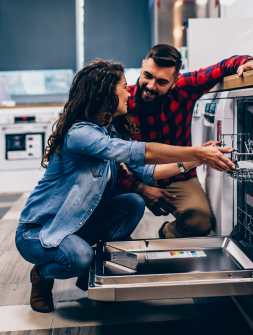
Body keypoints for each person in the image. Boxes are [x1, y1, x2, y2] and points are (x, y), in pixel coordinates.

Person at [15, 59, 236, 313]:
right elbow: (140, 152)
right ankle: (43, 274)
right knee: (78, 257)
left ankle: (93, 267)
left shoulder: (110, 132)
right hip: (40, 231)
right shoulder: (80, 134)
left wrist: (196, 159)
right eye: (123, 86)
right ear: (107, 94)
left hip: (77, 223)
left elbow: (147, 171)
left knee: (132, 203)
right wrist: (196, 150)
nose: (129, 91)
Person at [115, 44, 253, 238]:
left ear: (174, 81)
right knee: (109, 207)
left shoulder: (184, 88)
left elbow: (220, 67)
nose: (151, 86)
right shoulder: (121, 102)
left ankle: (166, 232)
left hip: (177, 172)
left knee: (199, 223)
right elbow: (106, 160)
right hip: (133, 174)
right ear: (142, 65)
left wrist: (247, 62)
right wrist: (139, 188)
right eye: (147, 75)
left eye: (162, 82)